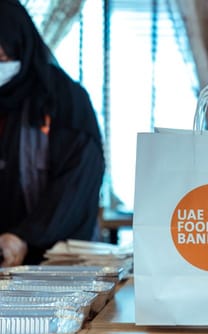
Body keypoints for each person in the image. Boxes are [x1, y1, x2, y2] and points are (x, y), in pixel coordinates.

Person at [0, 0, 105, 266]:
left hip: (54, 261)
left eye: (1, 58)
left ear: (19, 44)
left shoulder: (63, 98)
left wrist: (24, 236)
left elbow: (78, 180)